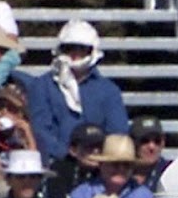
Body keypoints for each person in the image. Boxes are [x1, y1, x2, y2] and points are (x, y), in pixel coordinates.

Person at [28, 20, 130, 166]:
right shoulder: (42, 86)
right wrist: (69, 154)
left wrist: (98, 157)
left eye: (82, 48)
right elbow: (40, 131)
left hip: (100, 167)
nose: (75, 53)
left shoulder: (109, 91)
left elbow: (118, 133)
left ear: (92, 50)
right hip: (56, 166)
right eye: (69, 48)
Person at [46, 122, 103, 198]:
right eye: (89, 146)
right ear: (73, 150)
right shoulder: (59, 171)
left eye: (100, 146)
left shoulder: (107, 171)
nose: (96, 151)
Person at [129, 114, 168, 188]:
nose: (151, 147)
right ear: (132, 143)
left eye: (157, 141)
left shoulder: (169, 172)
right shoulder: (121, 174)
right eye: (144, 140)